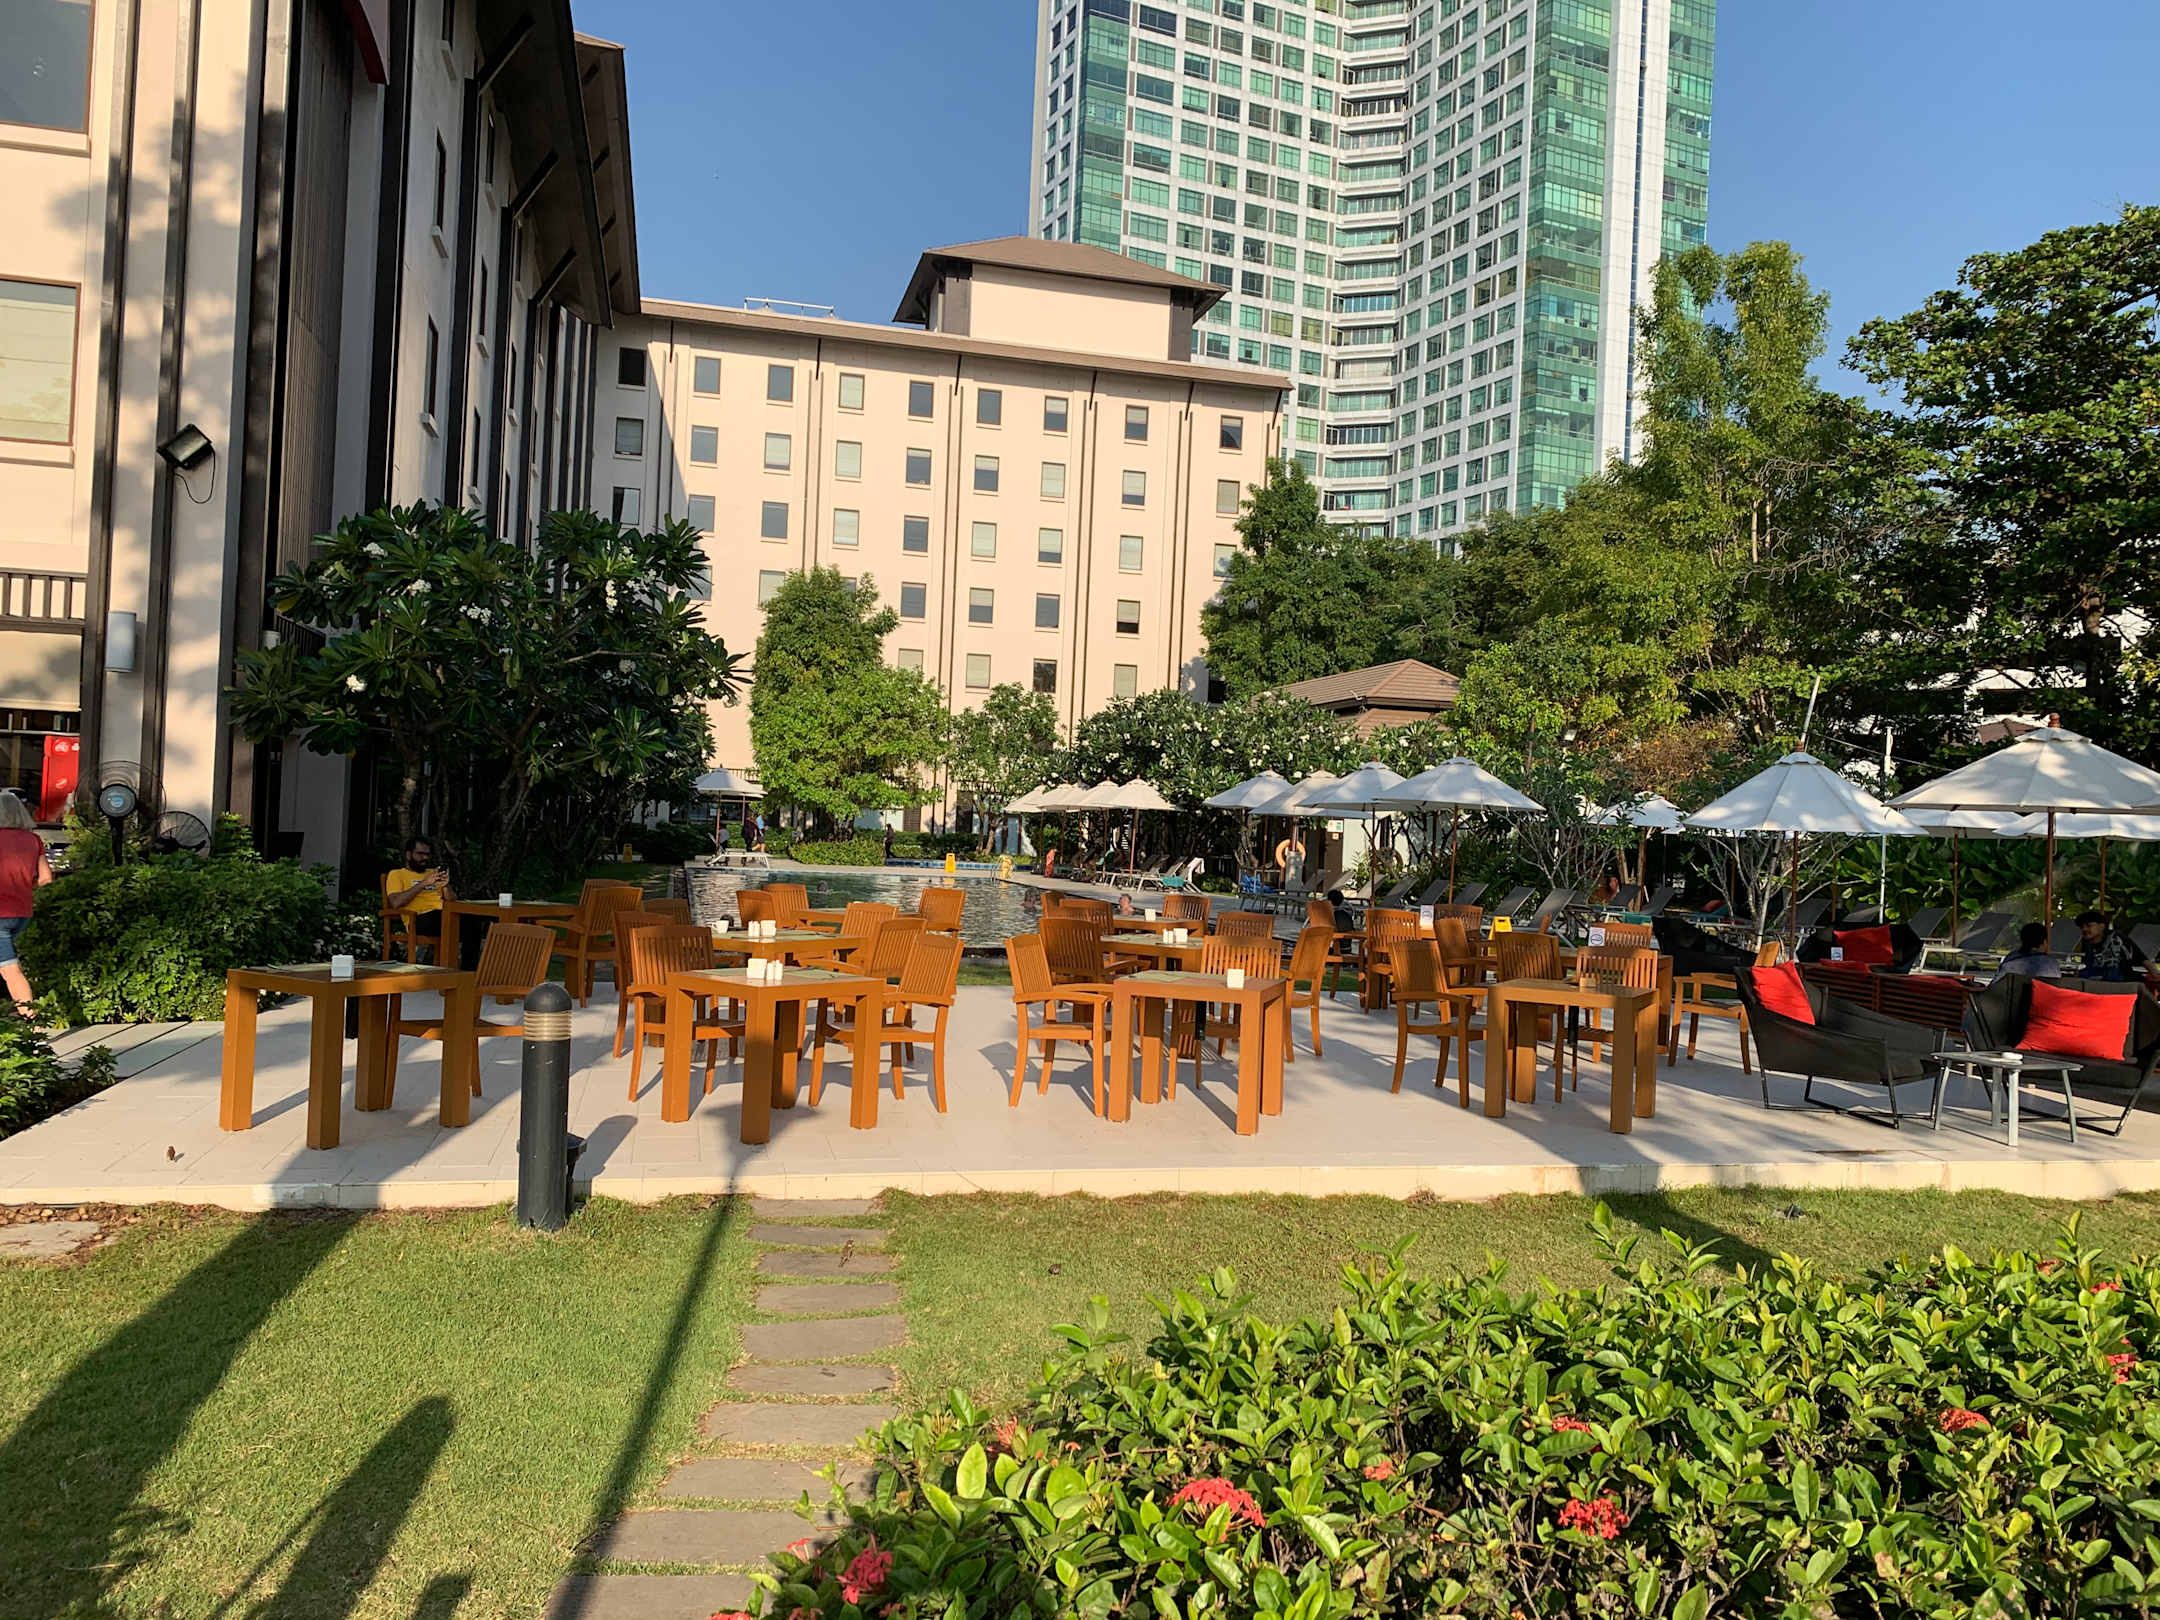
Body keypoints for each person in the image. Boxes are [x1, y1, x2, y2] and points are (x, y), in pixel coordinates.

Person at [384, 837, 482, 969]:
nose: (424, 858)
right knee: (452, 919)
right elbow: (395, 902)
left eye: (427, 854)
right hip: (419, 919)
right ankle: (456, 969)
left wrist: (445, 885)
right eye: (420, 854)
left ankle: (469, 972)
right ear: (408, 854)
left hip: (443, 914)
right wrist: (424, 883)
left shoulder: (432, 873)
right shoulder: (397, 874)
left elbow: (451, 900)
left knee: (473, 922)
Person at [0, 792, 54, 1013]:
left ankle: (33, 1024)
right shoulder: (33, 840)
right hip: (21, 913)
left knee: (10, 970)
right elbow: (46, 878)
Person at [2073, 910, 2148, 982]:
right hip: (2095, 982)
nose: (2084, 929)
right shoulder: (2087, 943)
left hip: (2121, 982)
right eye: (2081, 927)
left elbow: (2141, 958)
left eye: (2089, 925)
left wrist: (2153, 975)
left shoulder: (2116, 938)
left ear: (2102, 926)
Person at [1995, 922, 2061, 981]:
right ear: (2044, 942)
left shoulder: (2010, 959)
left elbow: (1994, 986)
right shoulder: (2052, 964)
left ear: (2022, 940)